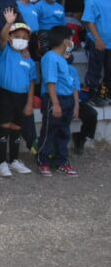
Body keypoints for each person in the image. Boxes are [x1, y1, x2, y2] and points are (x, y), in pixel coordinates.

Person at [0, 11, 36, 177]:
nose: (21, 40)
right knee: (4, 126)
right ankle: (2, 162)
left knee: (16, 127)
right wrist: (8, 23)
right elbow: (3, 38)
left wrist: (29, 103)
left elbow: (32, 81)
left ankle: (14, 159)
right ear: (11, 37)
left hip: (22, 97)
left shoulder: (29, 59)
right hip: (5, 94)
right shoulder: (4, 51)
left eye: (25, 38)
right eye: (17, 36)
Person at [37, 25, 79, 177]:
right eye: (70, 38)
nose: (72, 41)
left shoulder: (61, 58)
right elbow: (50, 82)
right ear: (64, 40)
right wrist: (55, 104)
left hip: (66, 99)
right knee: (49, 131)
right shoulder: (50, 57)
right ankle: (44, 161)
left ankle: (61, 161)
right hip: (55, 98)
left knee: (63, 132)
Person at [83, 0, 111, 106]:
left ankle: (105, 94)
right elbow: (89, 21)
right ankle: (91, 95)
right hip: (97, 42)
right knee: (94, 70)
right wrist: (97, 39)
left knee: (109, 71)